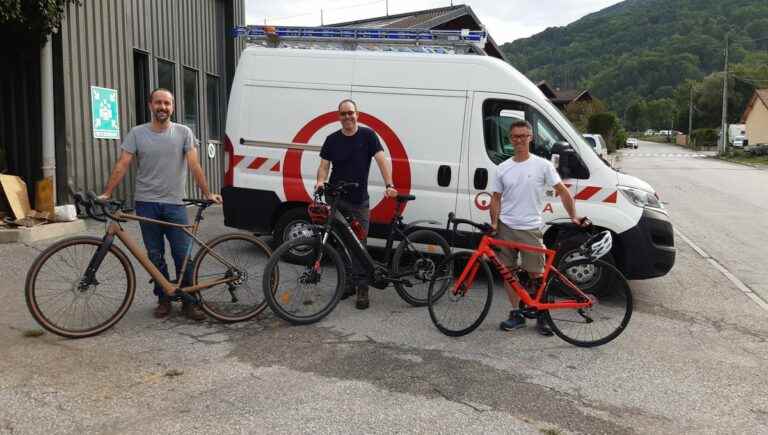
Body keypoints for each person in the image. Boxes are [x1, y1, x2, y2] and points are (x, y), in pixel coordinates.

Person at [100, 88, 222, 321]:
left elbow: (194, 165)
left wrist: (207, 193)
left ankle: (189, 301)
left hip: (175, 204)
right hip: (146, 203)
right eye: (158, 103)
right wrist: (107, 193)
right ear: (150, 105)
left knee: (182, 254)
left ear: (173, 107)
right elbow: (123, 164)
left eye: (167, 103)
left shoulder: (184, 132)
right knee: (154, 256)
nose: (163, 107)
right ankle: (164, 297)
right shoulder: (137, 133)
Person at [489, 120, 586, 336]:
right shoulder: (503, 168)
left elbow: (562, 190)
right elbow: (496, 198)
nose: (520, 140)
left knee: (537, 274)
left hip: (531, 227)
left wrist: (574, 216)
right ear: (510, 139)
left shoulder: (543, 165)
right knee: (509, 274)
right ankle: (516, 313)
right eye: (515, 136)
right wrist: (494, 223)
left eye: (524, 135)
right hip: (506, 226)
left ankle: (543, 316)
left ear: (531, 137)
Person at [315, 99, 398, 310]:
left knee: (359, 245)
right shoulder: (331, 140)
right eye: (343, 114)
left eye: (350, 113)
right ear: (338, 116)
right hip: (335, 199)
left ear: (357, 114)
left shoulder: (368, 136)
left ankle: (363, 288)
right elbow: (324, 166)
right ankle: (349, 283)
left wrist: (389, 184)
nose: (347, 117)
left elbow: (381, 159)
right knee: (341, 244)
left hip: (359, 200)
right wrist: (319, 181)